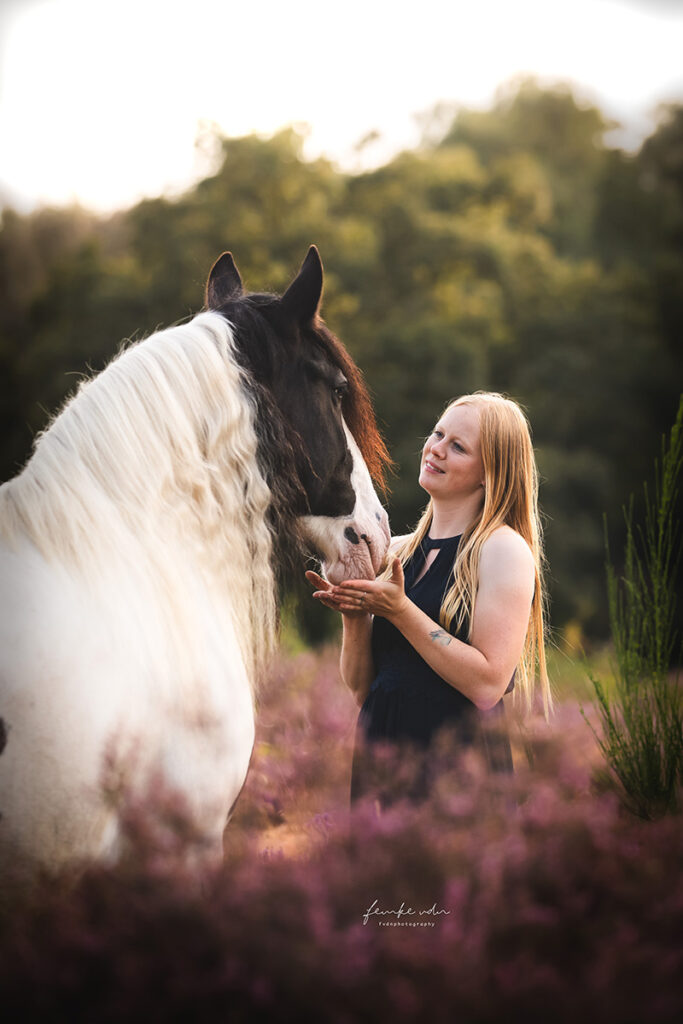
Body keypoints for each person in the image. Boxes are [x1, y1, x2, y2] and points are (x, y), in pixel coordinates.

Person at [306, 391, 551, 807]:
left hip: (459, 770)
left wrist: (401, 611)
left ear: (489, 473)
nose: (435, 449)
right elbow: (363, 688)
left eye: (457, 446)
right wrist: (354, 615)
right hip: (383, 755)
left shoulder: (502, 551)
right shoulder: (395, 552)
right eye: (438, 433)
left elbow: (488, 685)